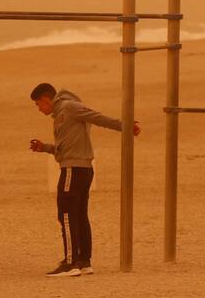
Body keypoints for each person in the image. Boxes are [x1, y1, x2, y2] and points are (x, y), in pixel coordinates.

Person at [28, 82, 141, 277]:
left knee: (66, 214)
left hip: (74, 169)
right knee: (78, 214)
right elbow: (64, 149)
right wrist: (44, 147)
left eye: (38, 104)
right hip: (79, 167)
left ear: (46, 100)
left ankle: (71, 263)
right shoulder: (62, 114)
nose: (39, 109)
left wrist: (126, 125)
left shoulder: (69, 107)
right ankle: (84, 261)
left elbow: (98, 118)